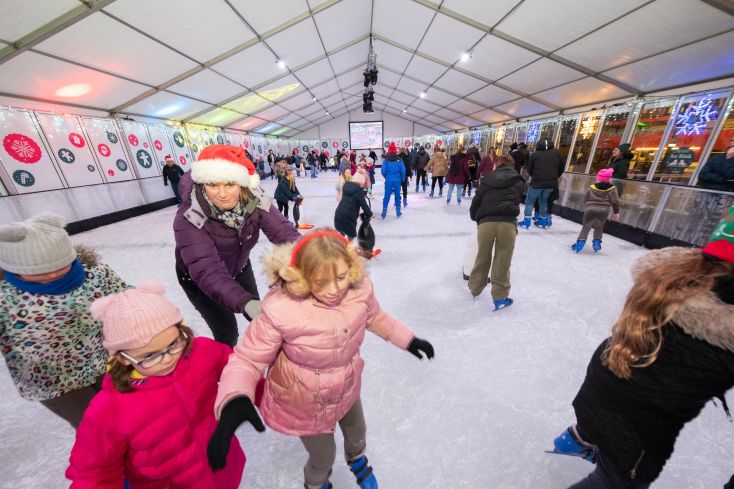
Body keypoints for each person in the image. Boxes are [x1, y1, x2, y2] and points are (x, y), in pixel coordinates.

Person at [207, 230, 435, 489]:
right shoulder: (282, 309)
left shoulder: (358, 291)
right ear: (302, 277)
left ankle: (357, 459)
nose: (335, 289)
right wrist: (235, 397)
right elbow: (247, 359)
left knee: (358, 434)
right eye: (321, 281)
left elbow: (376, 318)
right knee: (323, 456)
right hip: (304, 399)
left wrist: (407, 339)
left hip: (346, 385)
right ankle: (315, 484)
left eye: (340, 277)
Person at [552, 207, 734, 489]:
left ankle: (576, 438)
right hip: (636, 431)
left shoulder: (673, 275)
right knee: (615, 483)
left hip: (600, 381)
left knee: (609, 413)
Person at [66, 282, 246, 489]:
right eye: (149, 356)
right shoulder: (108, 409)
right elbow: (95, 473)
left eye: (173, 344)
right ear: (122, 358)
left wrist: (271, 394)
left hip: (223, 467)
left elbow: (239, 370)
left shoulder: (202, 351)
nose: (167, 359)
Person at [0, 212, 129, 429]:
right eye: (40, 271)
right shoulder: (6, 298)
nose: (52, 275)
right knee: (97, 427)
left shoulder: (94, 273)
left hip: (105, 359)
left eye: (61, 266)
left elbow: (125, 296)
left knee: (128, 412)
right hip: (54, 381)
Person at [173, 145, 301, 347]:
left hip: (239, 266)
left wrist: (315, 255)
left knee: (261, 317)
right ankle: (226, 367)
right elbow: (208, 271)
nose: (222, 194)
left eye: (230, 185)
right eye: (213, 185)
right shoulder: (190, 218)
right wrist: (246, 303)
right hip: (200, 280)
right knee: (227, 331)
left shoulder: (254, 200)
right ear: (202, 183)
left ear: (241, 184)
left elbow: (284, 232)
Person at [468, 155, 524, 311]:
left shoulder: (486, 180)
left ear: (496, 165)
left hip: (486, 223)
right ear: (512, 165)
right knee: (503, 259)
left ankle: (475, 288)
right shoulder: (518, 181)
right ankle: (499, 298)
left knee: (482, 256)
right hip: (508, 224)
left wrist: (476, 217)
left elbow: (476, 202)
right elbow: (518, 198)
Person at [571, 168, 620, 254]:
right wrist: (616, 212)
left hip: (591, 209)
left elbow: (585, 198)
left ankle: (580, 243)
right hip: (604, 211)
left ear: (599, 178)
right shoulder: (613, 188)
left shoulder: (592, 187)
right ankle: (596, 243)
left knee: (586, 226)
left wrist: (586, 205)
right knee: (599, 226)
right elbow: (615, 201)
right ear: (609, 179)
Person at [519, 138, 564, 229]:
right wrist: (555, 176)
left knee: (530, 201)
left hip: (536, 183)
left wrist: (534, 176)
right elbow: (562, 167)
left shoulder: (535, 155)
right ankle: (543, 221)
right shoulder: (557, 153)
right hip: (550, 183)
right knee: (544, 202)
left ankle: (527, 221)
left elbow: (529, 168)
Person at [334, 172, 373, 240]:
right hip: (348, 218)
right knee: (351, 235)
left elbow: (352, 194)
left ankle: (341, 242)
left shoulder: (346, 186)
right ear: (360, 183)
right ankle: (348, 248)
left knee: (341, 232)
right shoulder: (359, 193)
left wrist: (362, 193)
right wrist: (370, 214)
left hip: (338, 215)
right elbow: (365, 207)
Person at [381, 142, 406, 219]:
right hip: (397, 180)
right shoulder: (399, 159)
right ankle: (398, 210)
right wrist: (402, 179)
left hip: (389, 180)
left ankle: (384, 210)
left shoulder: (386, 160)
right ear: (395, 150)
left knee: (387, 195)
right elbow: (403, 170)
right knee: (397, 195)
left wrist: (386, 177)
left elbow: (383, 171)